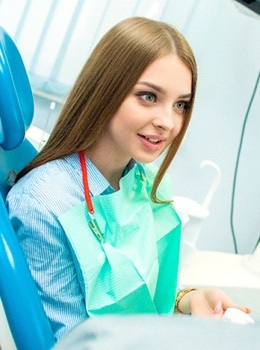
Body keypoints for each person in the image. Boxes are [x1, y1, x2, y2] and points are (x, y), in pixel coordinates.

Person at [6, 17, 249, 341]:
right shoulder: (45, 201)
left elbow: (134, 287)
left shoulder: (142, 182)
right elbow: (76, 342)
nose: (168, 121)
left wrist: (188, 300)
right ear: (105, 90)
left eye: (181, 104)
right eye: (149, 96)